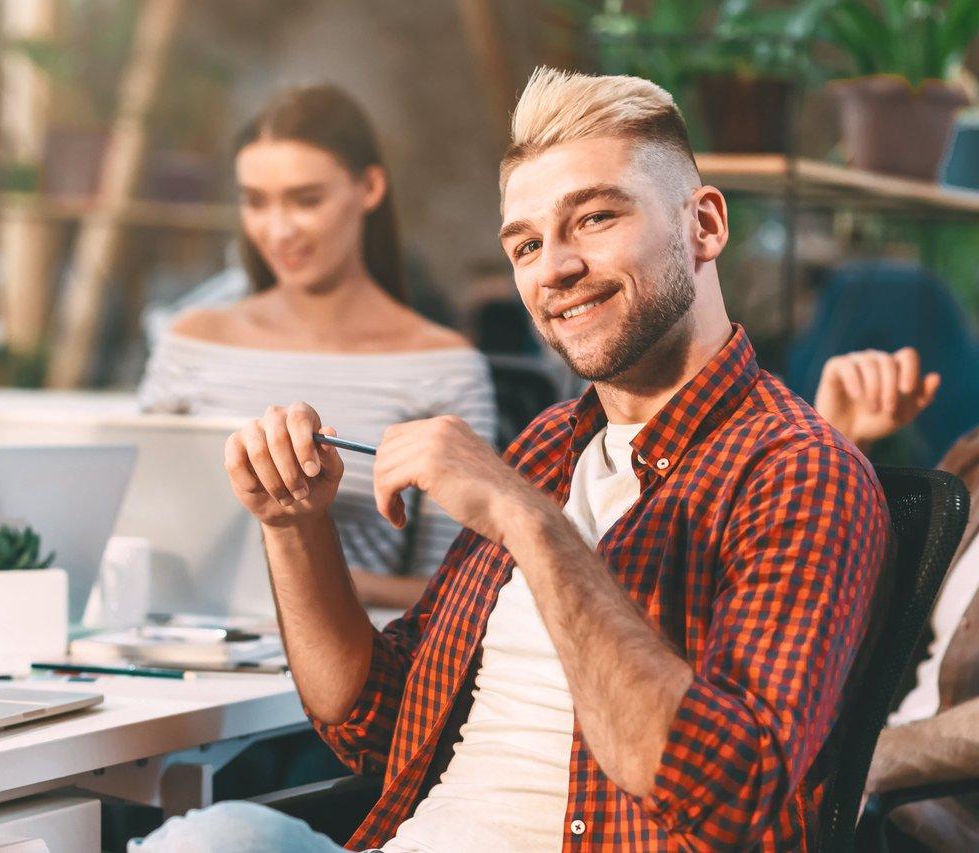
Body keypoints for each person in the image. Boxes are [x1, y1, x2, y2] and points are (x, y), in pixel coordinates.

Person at [130, 69, 888, 851]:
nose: (554, 268)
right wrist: (295, 526)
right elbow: (377, 722)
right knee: (212, 836)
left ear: (704, 224)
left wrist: (529, 518)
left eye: (594, 218)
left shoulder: (798, 470)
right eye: (526, 244)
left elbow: (723, 793)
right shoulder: (551, 445)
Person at [138, 84, 496, 610]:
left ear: (369, 187)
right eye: (256, 202)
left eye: (306, 200)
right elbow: (137, 529)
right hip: (183, 633)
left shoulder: (443, 366)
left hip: (359, 639)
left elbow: (459, 586)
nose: (278, 230)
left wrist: (296, 571)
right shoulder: (190, 341)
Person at [812, 346, 979, 849]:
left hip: (920, 823)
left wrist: (857, 763)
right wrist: (834, 448)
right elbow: (843, 618)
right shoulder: (971, 458)